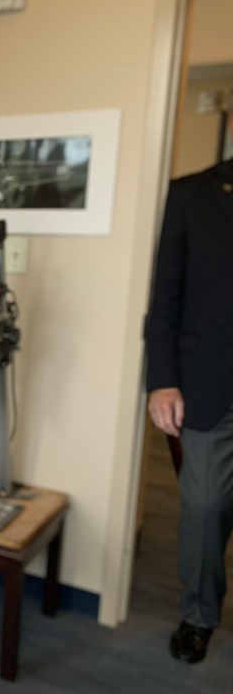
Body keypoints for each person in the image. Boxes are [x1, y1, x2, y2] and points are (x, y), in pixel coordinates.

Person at [144, 134, 233, 664]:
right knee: (204, 507)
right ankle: (199, 616)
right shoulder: (191, 194)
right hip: (208, 381)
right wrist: (163, 380)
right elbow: (166, 296)